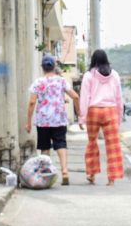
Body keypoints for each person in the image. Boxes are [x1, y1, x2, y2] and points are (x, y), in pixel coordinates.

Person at [25, 53, 79, 185]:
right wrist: (80, 113)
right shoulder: (61, 81)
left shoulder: (38, 82)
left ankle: (45, 175)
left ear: (42, 68)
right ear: (54, 66)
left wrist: (28, 122)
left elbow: (32, 102)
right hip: (59, 119)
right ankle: (65, 171)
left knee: (45, 147)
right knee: (61, 144)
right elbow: (75, 96)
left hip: (43, 121)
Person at [78, 49, 125, 185]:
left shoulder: (88, 75)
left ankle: (91, 174)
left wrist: (82, 117)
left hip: (93, 111)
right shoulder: (115, 75)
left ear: (93, 60)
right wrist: (119, 116)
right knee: (113, 146)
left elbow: (84, 97)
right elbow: (119, 98)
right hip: (111, 111)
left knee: (92, 142)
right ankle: (111, 179)